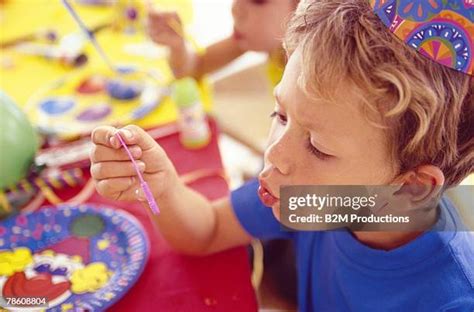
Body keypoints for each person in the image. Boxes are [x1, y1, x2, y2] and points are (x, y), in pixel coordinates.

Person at [90, 0, 474, 310]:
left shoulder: (451, 300)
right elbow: (206, 229)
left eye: (320, 148)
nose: (274, 154)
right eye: (281, 115)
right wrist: (161, 185)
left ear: (411, 189)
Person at [147, 0, 298, 85]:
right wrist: (178, 46)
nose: (235, 9)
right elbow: (195, 68)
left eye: (257, 1)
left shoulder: (310, 77)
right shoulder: (250, 39)